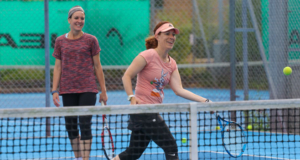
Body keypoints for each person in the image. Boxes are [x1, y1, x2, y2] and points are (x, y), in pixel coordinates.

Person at [113, 21, 211, 160]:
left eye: (173, 34)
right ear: (157, 36)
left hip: (151, 111)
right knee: (171, 146)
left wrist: (205, 101)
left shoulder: (172, 63)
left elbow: (179, 90)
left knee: (133, 153)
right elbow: (127, 76)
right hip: (143, 111)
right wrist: (131, 97)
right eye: (167, 34)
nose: (171, 37)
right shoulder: (148, 55)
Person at [51, 6, 108, 160]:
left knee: (85, 123)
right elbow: (57, 66)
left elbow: (98, 66)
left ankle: (85, 159)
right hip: (67, 89)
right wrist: (54, 90)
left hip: (88, 88)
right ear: (69, 20)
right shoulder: (60, 41)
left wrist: (103, 90)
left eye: (82, 18)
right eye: (76, 18)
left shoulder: (91, 40)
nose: (79, 21)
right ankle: (78, 157)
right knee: (70, 125)